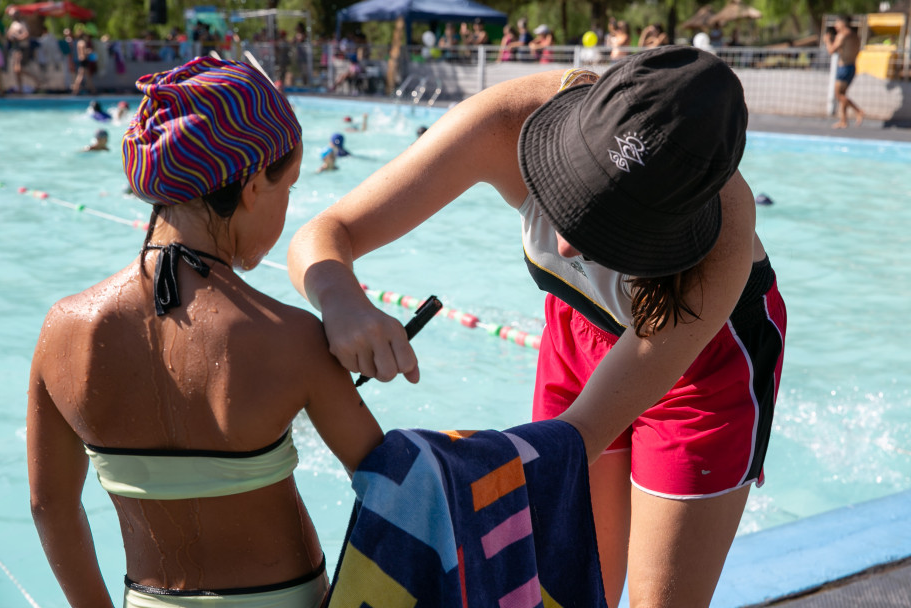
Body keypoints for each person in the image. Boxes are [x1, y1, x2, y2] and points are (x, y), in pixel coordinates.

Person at [286, 47, 787, 608]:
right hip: (575, 329)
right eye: (568, 196)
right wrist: (342, 300)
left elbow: (581, 436)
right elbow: (325, 233)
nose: (567, 245)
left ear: (672, 233)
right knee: (566, 589)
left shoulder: (718, 251)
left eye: (610, 233)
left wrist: (437, 480)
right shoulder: (505, 121)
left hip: (705, 366)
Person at [28, 57, 383, 608]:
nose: (287, 210)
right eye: (287, 187)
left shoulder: (64, 330)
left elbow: (49, 505)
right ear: (251, 185)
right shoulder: (291, 336)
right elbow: (393, 487)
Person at [825, 15, 864, 129]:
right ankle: (843, 121)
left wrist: (827, 41)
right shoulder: (855, 36)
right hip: (852, 67)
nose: (835, 26)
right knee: (843, 95)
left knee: (838, 95)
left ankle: (858, 111)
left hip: (844, 68)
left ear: (843, 23)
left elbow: (831, 51)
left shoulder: (842, 35)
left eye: (837, 23)